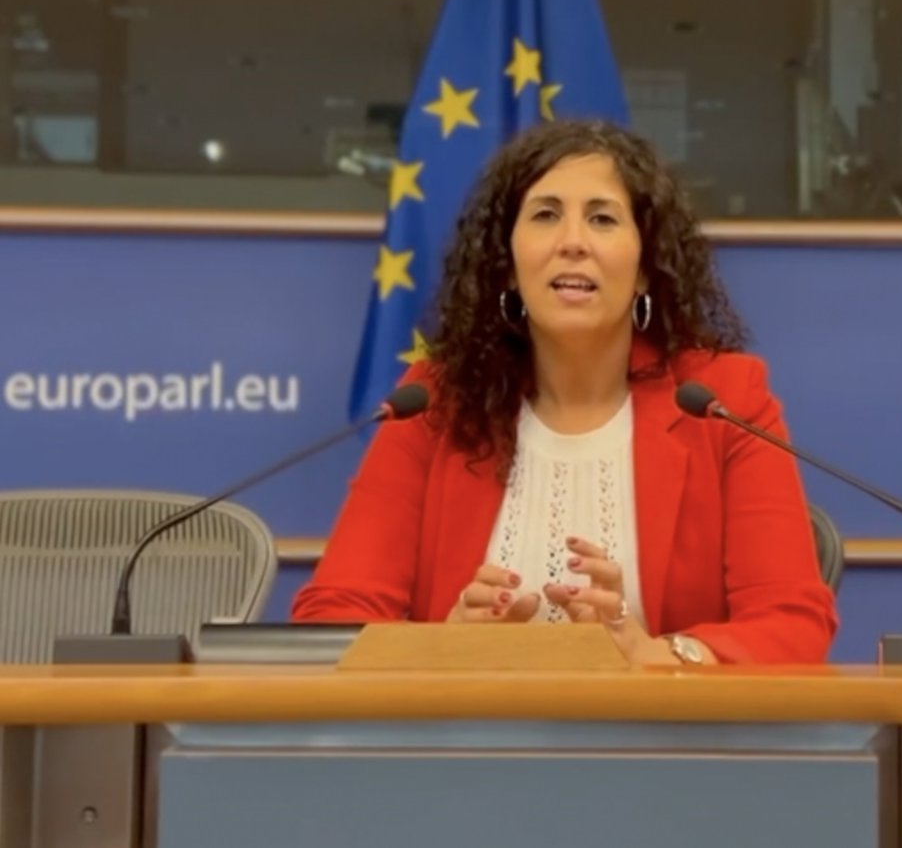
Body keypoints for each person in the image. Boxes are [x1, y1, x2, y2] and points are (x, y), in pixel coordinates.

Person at [291, 119, 837, 665]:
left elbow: (791, 622)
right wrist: (444, 646)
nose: (572, 242)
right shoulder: (438, 401)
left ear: (644, 268)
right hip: (471, 722)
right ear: (508, 264)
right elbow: (332, 614)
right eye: (546, 215)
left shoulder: (721, 400)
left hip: (661, 721)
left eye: (602, 218)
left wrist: (659, 657)